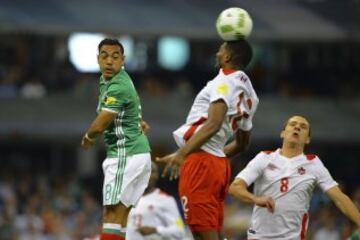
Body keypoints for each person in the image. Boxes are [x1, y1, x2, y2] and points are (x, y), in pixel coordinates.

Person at [157, 39, 259, 240]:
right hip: (218, 164)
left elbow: (213, 123)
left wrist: (183, 153)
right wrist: (214, 156)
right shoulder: (251, 94)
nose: (217, 53)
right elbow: (241, 144)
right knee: (215, 234)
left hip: (201, 165)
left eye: (220, 50)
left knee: (203, 235)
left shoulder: (224, 81)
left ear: (228, 56)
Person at [229, 115, 360, 240]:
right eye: (292, 124)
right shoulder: (264, 158)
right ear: (283, 133)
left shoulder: (313, 163)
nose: (297, 127)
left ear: (307, 139)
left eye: (303, 127)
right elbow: (235, 188)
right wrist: (255, 199)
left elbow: (340, 199)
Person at [81, 38, 151, 240]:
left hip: (125, 154)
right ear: (98, 59)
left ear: (123, 60)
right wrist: (138, 120)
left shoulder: (118, 85)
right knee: (119, 219)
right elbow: (128, 108)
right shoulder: (108, 80)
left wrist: (88, 136)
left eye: (115, 56)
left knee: (110, 216)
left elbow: (102, 121)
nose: (109, 61)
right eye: (104, 56)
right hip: (134, 154)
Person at [127, 161, 186, 240]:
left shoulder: (166, 200)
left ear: (156, 175)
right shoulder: (127, 200)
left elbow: (179, 231)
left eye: (150, 171)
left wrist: (156, 230)